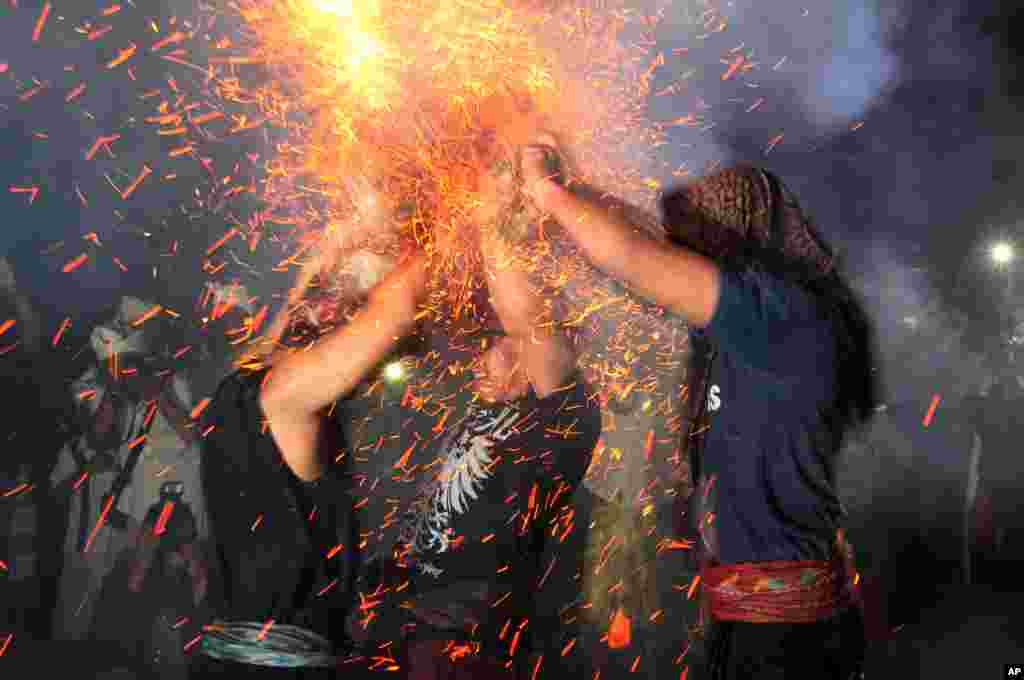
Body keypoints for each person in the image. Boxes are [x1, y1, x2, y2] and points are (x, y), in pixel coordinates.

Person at [519, 138, 875, 679]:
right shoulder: (753, 322)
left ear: (742, 239)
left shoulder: (784, 314)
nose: (686, 257)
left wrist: (546, 191)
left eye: (699, 243)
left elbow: (637, 259)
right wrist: (572, 191)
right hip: (752, 617)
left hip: (789, 628)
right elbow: (640, 242)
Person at [49, 296, 210, 666]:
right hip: (132, 516)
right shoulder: (110, 389)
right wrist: (116, 384)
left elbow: (197, 435)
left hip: (180, 510)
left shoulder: (182, 379)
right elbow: (101, 437)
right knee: (126, 591)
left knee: (185, 587)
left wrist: (162, 394)